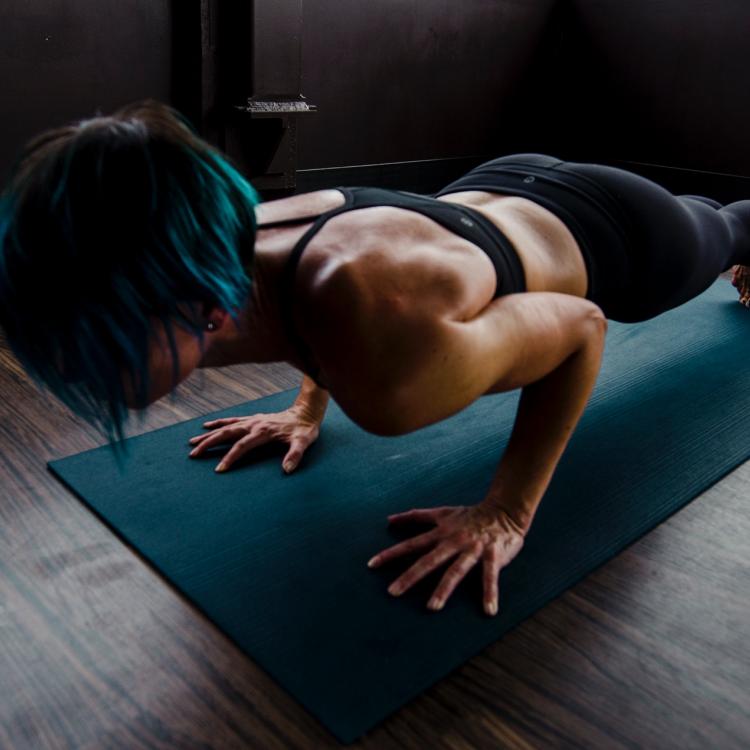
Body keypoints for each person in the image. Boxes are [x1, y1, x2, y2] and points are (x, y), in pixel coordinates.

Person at [1, 99, 749, 618]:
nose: (74, 366)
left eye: (102, 343)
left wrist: (506, 511)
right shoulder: (228, 241)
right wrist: (303, 408)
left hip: (627, 239)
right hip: (500, 187)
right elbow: (311, 299)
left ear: (208, 312)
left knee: (728, 226)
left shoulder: (388, 370)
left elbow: (583, 328)